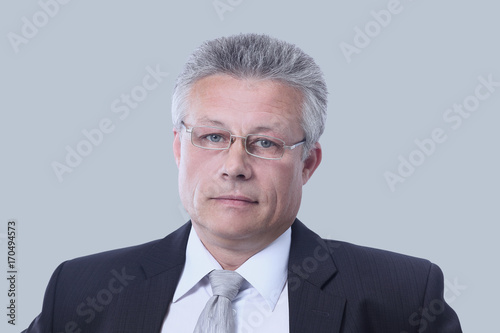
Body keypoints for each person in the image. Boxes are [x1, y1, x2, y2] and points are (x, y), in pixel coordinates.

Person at [23, 33, 462, 333]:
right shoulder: (82, 288)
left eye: (265, 143)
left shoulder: (401, 296)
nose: (234, 166)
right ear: (179, 148)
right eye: (213, 137)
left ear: (308, 163)